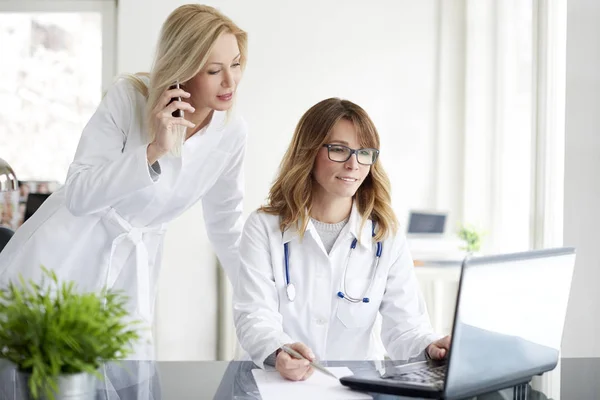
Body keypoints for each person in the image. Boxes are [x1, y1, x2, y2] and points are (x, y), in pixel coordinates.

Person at [0, 4, 248, 359]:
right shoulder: (129, 98)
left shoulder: (232, 132)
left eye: (236, 63)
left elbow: (227, 227)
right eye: (214, 70)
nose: (230, 81)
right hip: (61, 257)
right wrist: (153, 150)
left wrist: (263, 312)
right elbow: (79, 194)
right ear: (183, 68)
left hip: (131, 275)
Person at [233, 98, 450, 381]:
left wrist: (430, 346)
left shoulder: (385, 234)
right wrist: (279, 350)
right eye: (338, 150)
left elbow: (406, 326)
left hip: (352, 387)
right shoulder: (264, 227)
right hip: (276, 385)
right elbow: (254, 316)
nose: (353, 164)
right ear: (308, 152)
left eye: (364, 153)